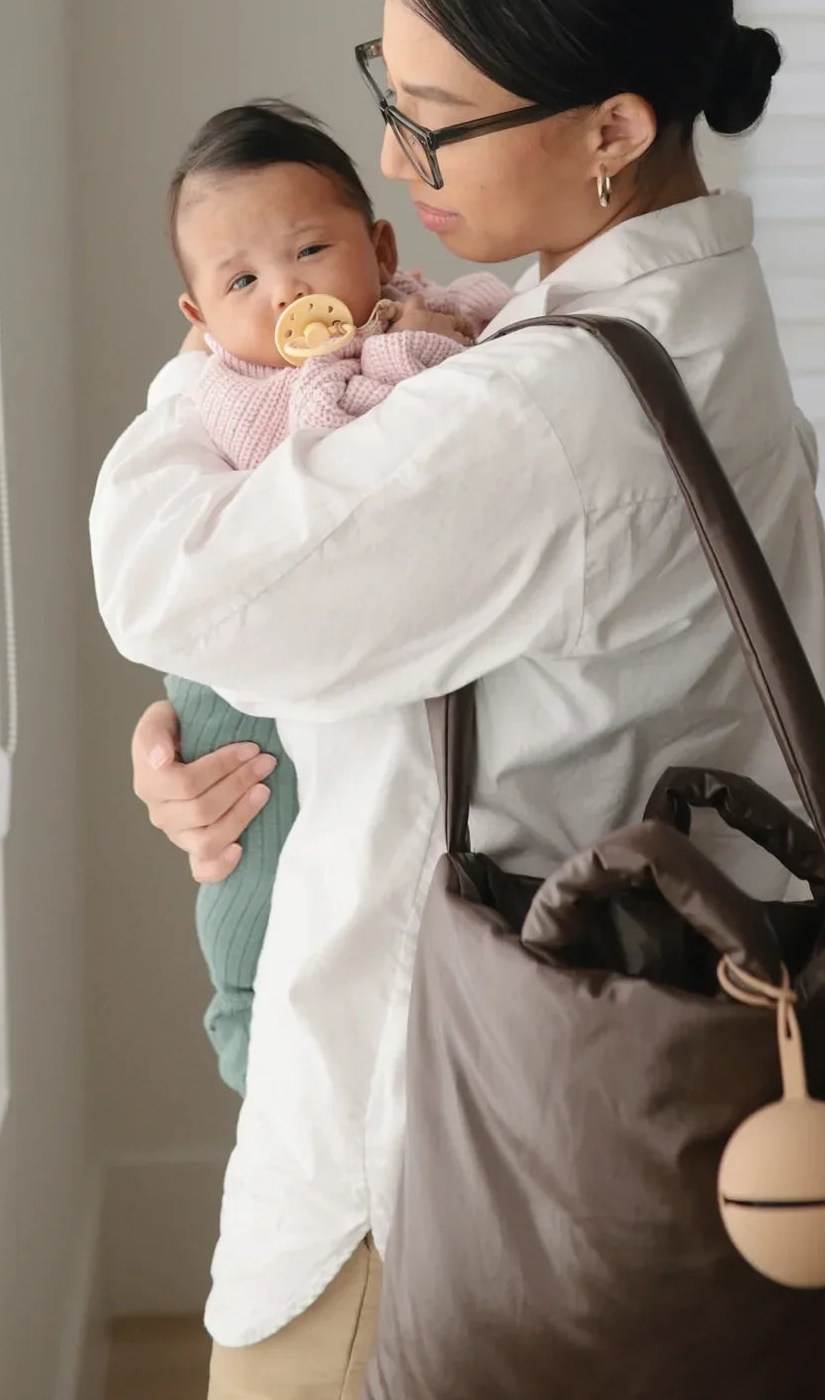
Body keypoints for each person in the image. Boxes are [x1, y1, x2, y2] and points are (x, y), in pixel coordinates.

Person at [91, 0, 825, 1400]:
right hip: (577, 1106)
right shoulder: (671, 319)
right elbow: (478, 654)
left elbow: (165, 580)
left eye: (433, 115)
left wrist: (218, 361)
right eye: (387, 82)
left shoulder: (550, 408)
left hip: (425, 1162)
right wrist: (261, 740)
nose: (389, 147)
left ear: (614, 131)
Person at [154, 98, 511, 1094]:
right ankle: (246, 1019)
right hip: (230, 691)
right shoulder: (235, 386)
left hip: (326, 651)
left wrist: (421, 328)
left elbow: (478, 341)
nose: (287, 292)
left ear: (380, 243)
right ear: (199, 321)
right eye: (242, 281)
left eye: (312, 249)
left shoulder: (432, 301)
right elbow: (329, 448)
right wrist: (397, 349)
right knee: (250, 861)